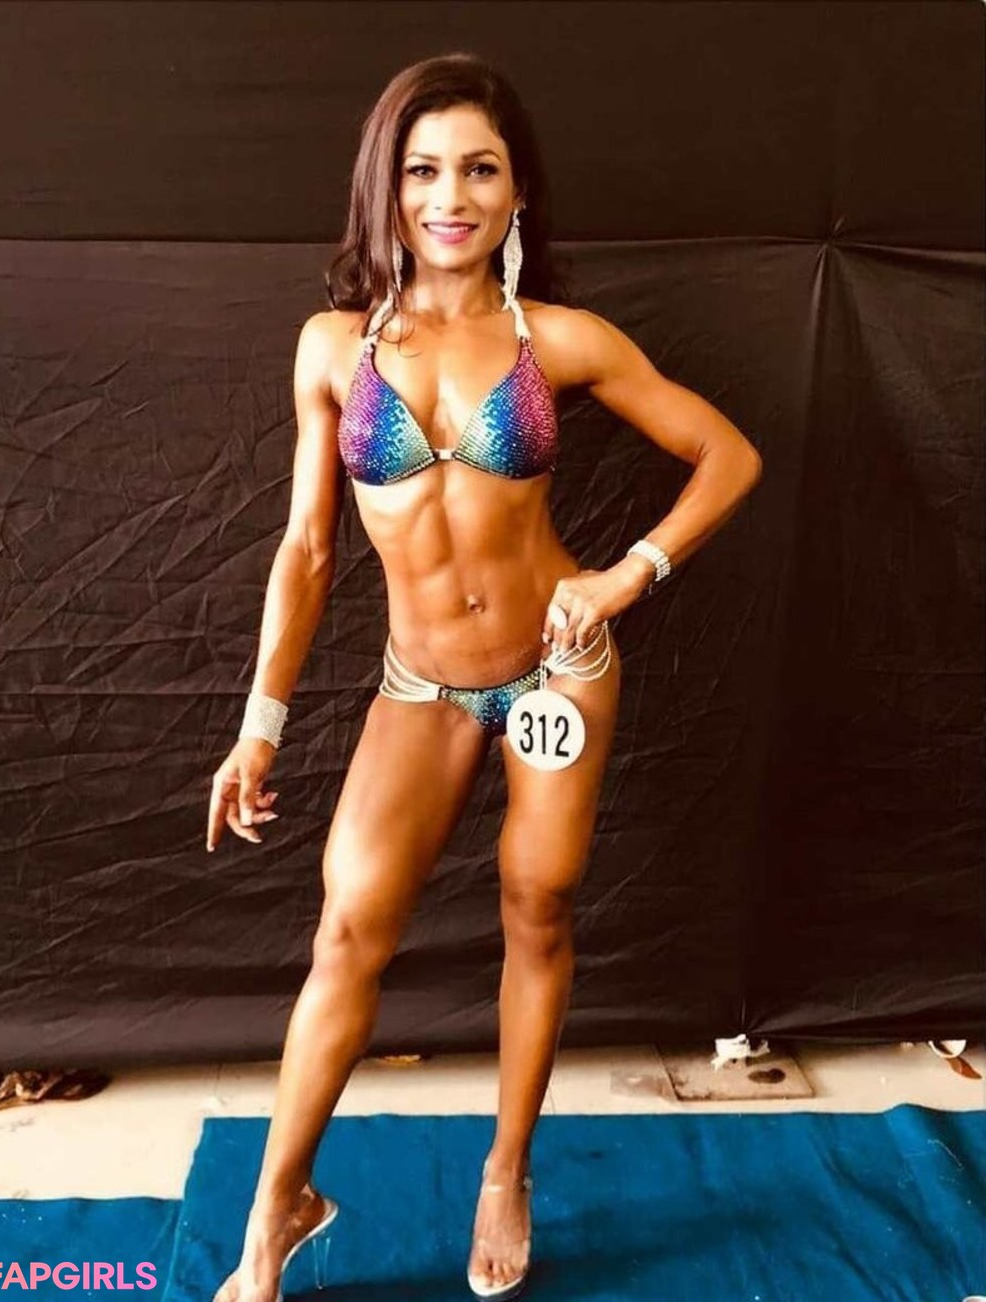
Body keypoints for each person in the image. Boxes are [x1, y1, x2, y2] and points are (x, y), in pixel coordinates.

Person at [206, 51, 762, 1302]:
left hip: (556, 670)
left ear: (517, 194)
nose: (449, 196)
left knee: (537, 908)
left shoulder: (557, 340)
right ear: (387, 188)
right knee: (348, 928)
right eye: (423, 171)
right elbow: (306, 551)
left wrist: (626, 578)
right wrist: (260, 725)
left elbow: (727, 455)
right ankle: (278, 1206)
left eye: (478, 170)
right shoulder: (333, 349)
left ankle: (507, 1171)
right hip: (421, 683)